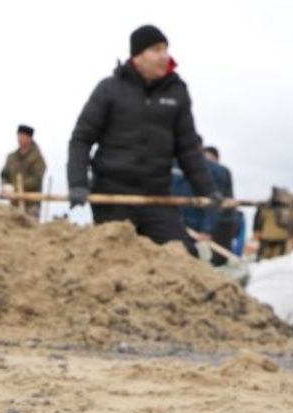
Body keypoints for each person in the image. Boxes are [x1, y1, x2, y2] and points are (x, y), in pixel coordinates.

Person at [67, 24, 219, 256]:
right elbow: (81, 139)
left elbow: (188, 149)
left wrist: (208, 190)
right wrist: (77, 184)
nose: (164, 56)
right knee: (113, 257)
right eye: (156, 50)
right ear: (138, 56)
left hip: (156, 197)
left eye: (165, 50)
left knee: (182, 256)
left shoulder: (177, 93)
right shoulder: (110, 89)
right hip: (112, 196)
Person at [0, 124, 47, 219]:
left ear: (29, 138)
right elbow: (4, 174)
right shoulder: (11, 157)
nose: (20, 138)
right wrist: (6, 186)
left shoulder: (37, 158)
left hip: (31, 203)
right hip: (14, 202)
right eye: (19, 136)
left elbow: (36, 180)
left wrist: (16, 188)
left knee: (30, 229)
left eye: (22, 136)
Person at [203, 146, 239, 266]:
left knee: (214, 260)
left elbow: (214, 200)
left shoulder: (215, 171)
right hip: (226, 221)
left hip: (219, 221)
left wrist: (207, 228)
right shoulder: (224, 170)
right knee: (219, 261)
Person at [253, 187, 293, 260]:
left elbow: (258, 219)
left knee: (265, 260)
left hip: (267, 236)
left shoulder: (267, 204)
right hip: (283, 238)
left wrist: (257, 230)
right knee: (282, 260)